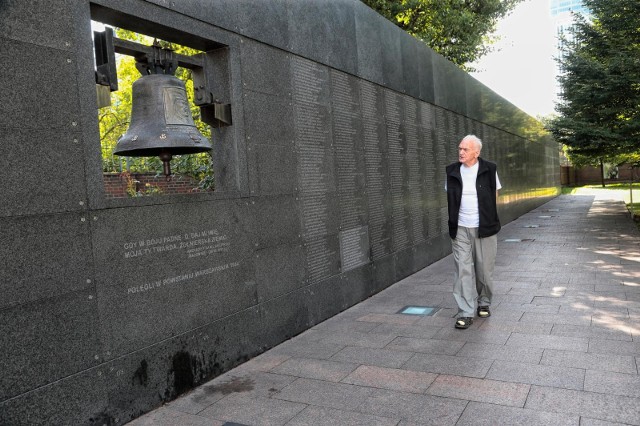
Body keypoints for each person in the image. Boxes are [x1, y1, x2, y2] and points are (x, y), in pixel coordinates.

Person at [445, 135, 502, 329]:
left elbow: (495, 194)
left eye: (465, 149)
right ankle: (465, 312)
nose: (461, 152)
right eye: (460, 148)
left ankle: (484, 302)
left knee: (484, 270)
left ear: (476, 153)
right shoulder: (452, 171)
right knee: (463, 270)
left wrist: (488, 218)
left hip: (484, 227)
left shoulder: (489, 169)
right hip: (460, 227)